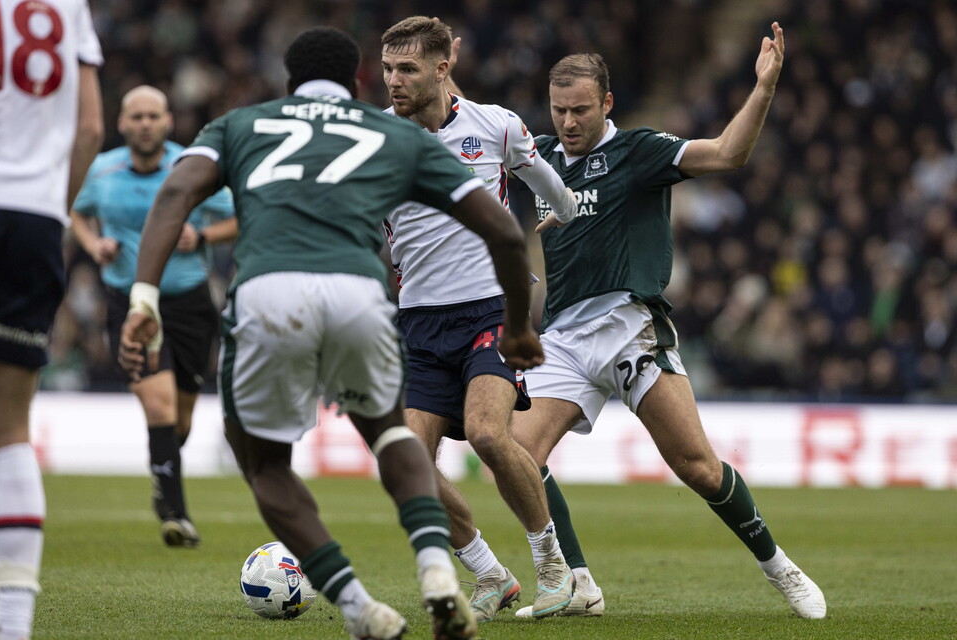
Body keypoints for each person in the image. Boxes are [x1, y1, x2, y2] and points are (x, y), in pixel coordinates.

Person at [118, 26, 543, 640]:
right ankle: (437, 571)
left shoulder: (242, 124)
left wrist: (144, 296)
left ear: (289, 81)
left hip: (267, 292)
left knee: (264, 464)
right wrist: (520, 326)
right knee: (392, 433)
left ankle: (356, 605)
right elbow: (504, 232)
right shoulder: (395, 132)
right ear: (357, 82)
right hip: (359, 294)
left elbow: (176, 192)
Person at [505, 22, 827, 620]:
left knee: (699, 468)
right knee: (517, 452)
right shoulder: (540, 157)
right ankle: (577, 583)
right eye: (558, 111)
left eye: (580, 110)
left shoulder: (638, 151)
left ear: (606, 104)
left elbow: (730, 153)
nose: (568, 123)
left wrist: (763, 87)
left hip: (630, 329)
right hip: (565, 340)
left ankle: (778, 564)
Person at [379, 16, 580, 622]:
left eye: (407, 69)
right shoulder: (376, 141)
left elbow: (560, 197)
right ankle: (493, 575)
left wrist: (553, 215)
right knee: (405, 464)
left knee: (491, 435)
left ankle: (555, 571)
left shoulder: (495, 126)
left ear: (443, 70)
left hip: (489, 310)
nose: (393, 81)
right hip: (418, 320)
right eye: (387, 68)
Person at [70, 85, 237, 548]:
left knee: (179, 422)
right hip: (130, 303)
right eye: (136, 116)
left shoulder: (193, 168)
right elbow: (77, 214)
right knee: (159, 406)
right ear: (122, 124)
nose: (145, 124)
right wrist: (93, 245)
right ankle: (176, 515)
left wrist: (201, 237)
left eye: (153, 116)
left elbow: (242, 217)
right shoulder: (102, 171)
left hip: (188, 303)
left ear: (168, 122)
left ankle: (162, 475)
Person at [0, 1, 103, 637]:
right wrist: (52, 210)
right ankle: (11, 626)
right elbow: (89, 128)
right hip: (33, 220)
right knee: (10, 428)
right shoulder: (68, 6)